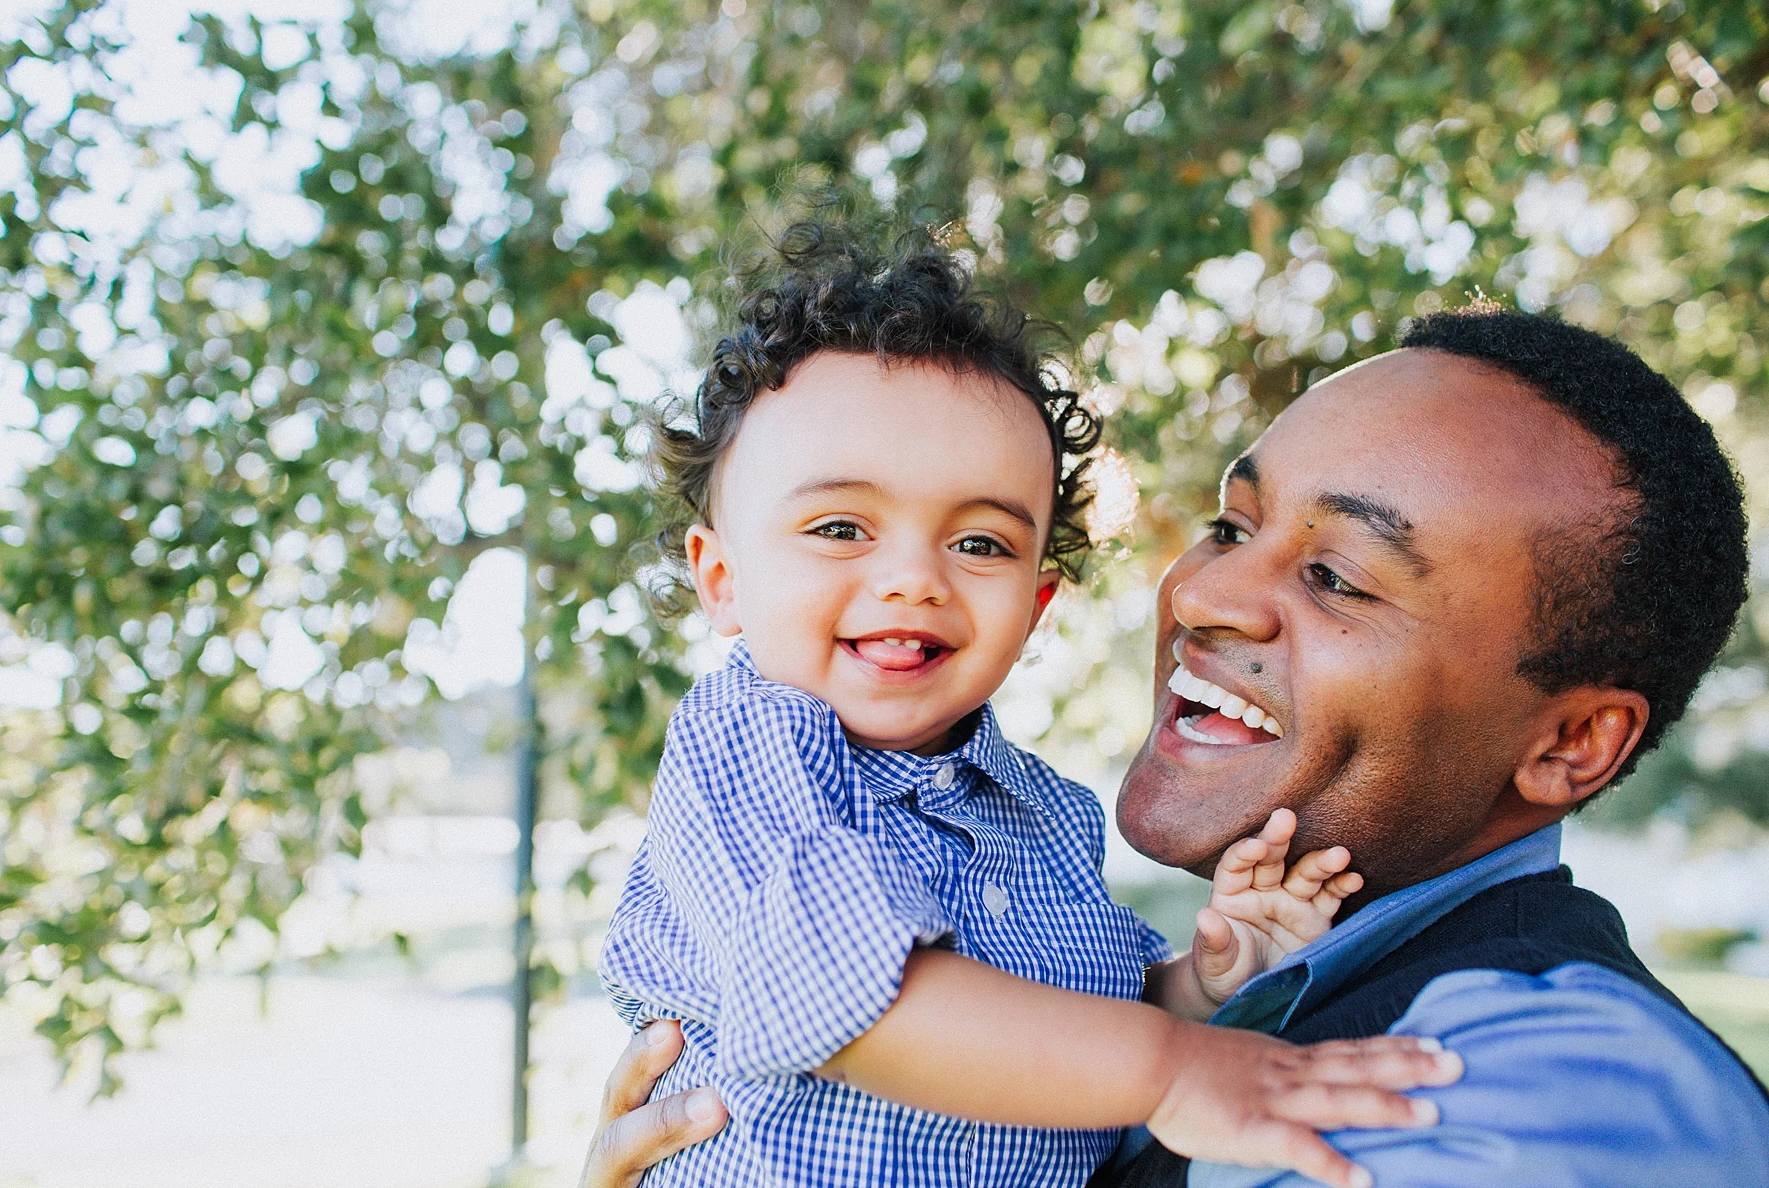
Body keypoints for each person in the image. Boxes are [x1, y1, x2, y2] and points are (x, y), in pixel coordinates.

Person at [582, 302, 1769, 1187]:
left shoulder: (1571, 1088)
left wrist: (1192, 1007)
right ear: (721, 578)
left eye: (1334, 576)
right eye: (1228, 525)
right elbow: (857, 1001)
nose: (1202, 594)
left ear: (1570, 744)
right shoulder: (768, 758)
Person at [595, 223, 1462, 1188]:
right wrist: (1178, 1071)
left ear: (1036, 606)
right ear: (721, 578)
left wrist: (1198, 987)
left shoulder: (1048, 815)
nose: (915, 579)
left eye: (980, 545)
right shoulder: (747, 751)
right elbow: (850, 1005)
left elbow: (1071, 1020)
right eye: (842, 527)